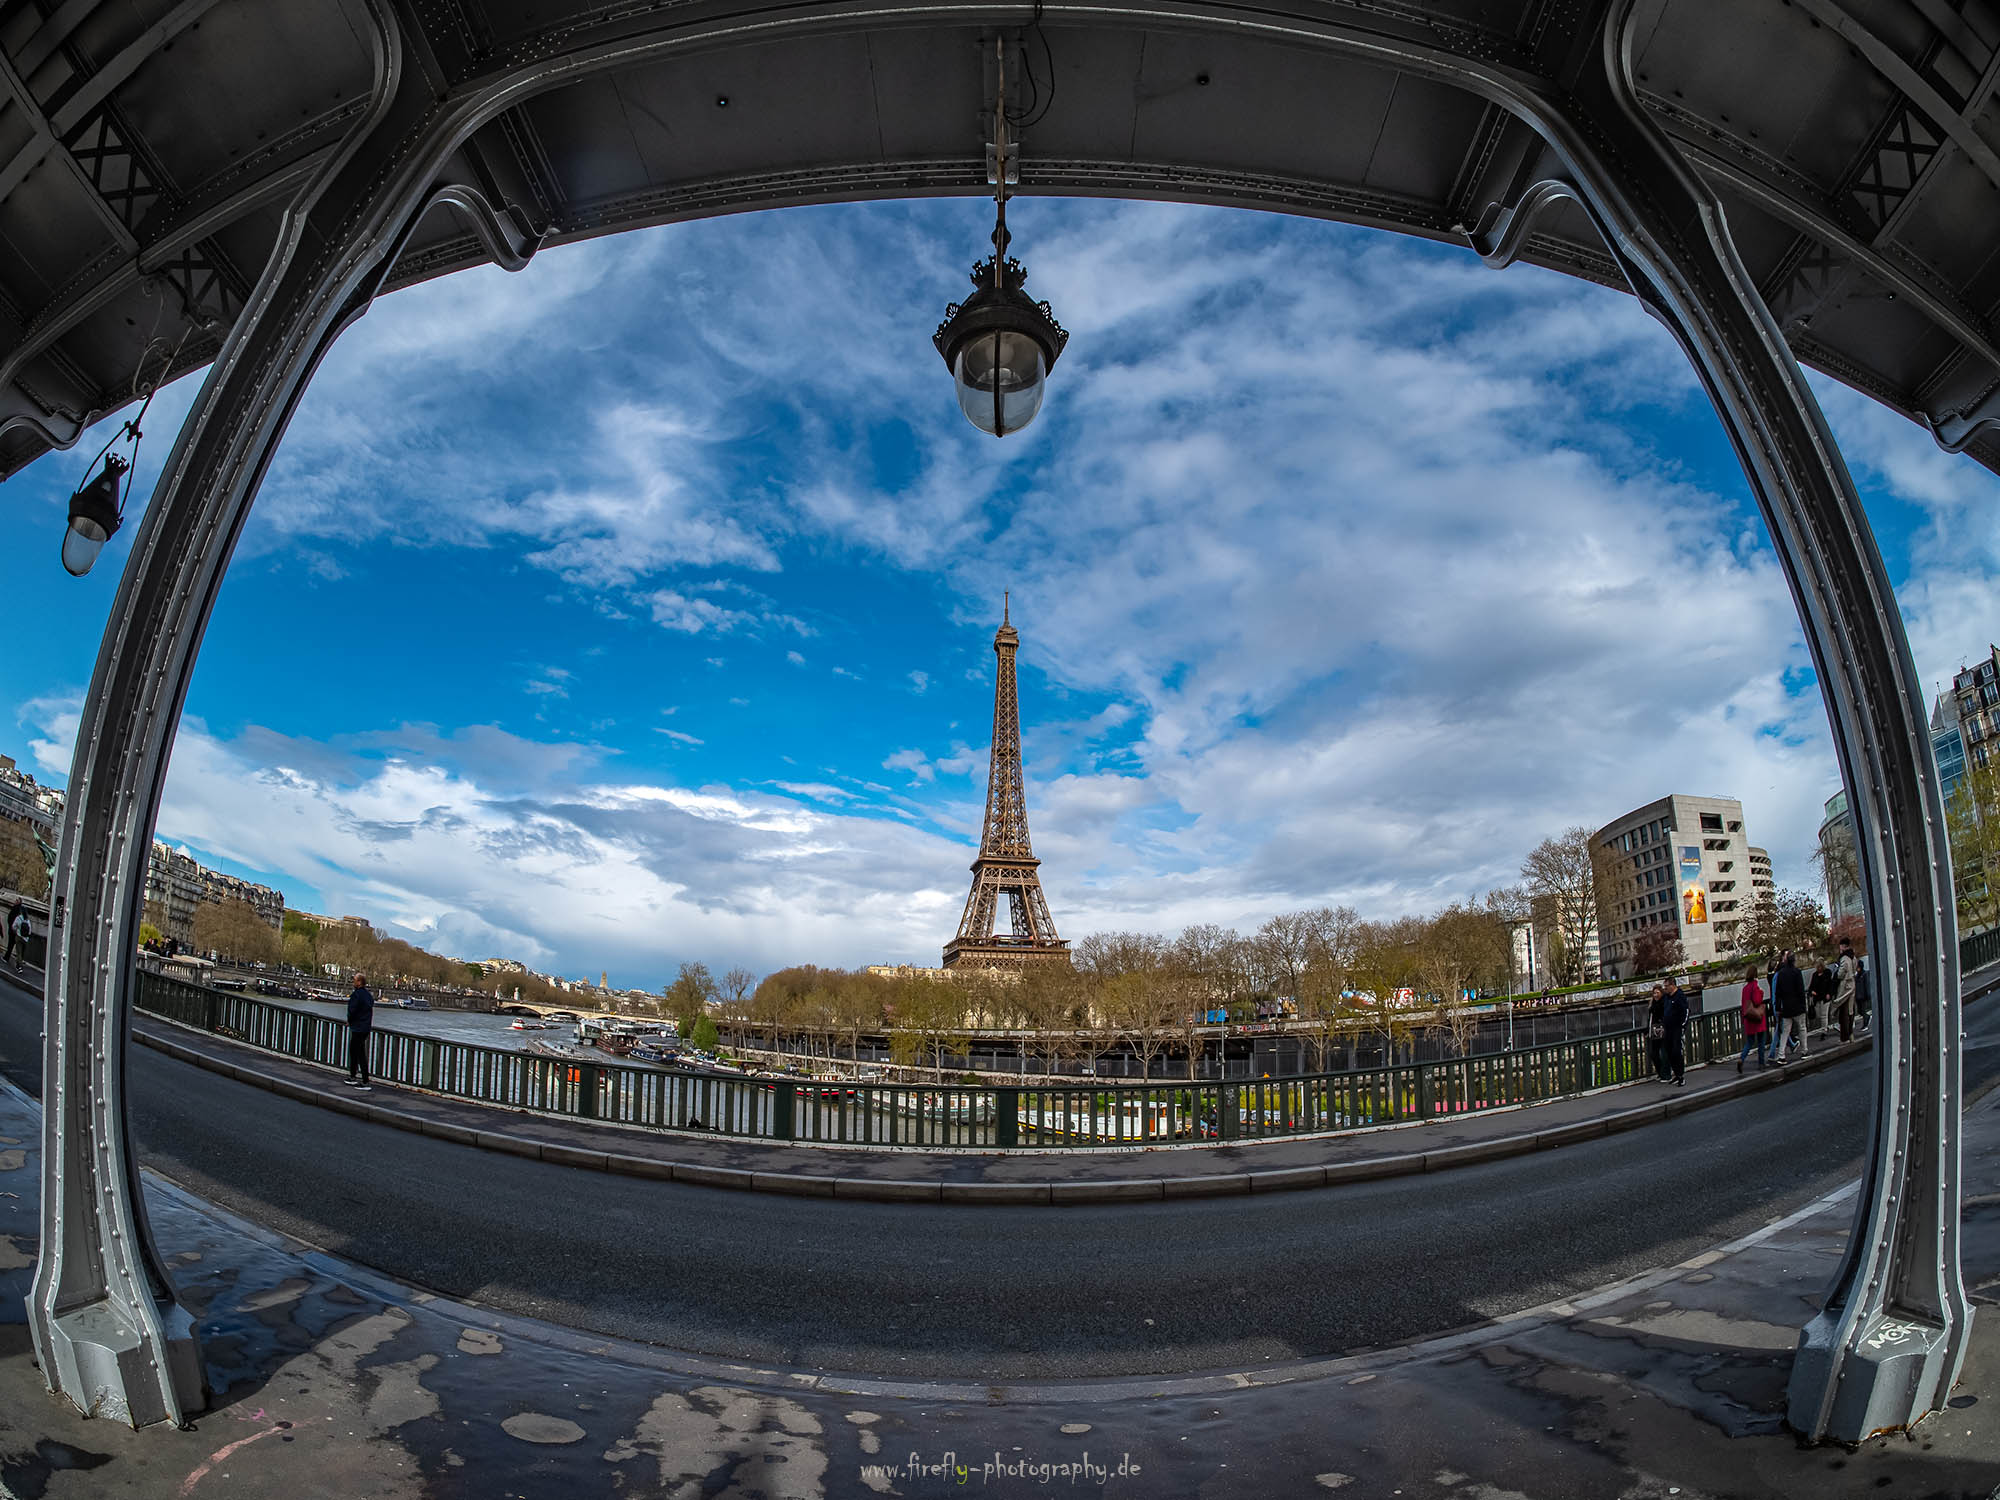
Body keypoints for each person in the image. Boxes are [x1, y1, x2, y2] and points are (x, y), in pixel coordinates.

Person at [1770, 950, 1808, 1061]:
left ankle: (1781, 1055)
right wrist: (1803, 1005)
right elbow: (1801, 990)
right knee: (1802, 1028)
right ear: (1794, 960)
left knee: (1785, 1032)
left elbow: (1778, 993)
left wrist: (1777, 1007)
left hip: (1786, 1007)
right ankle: (1804, 1051)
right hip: (1797, 1006)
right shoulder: (1797, 972)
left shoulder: (1781, 974)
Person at [344, 972, 375, 1090]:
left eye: (354, 980)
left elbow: (353, 1010)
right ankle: (357, 1077)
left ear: (359, 982)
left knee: (356, 1053)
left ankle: (361, 1080)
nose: (353, 982)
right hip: (365, 1027)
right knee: (359, 1052)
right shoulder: (368, 996)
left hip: (357, 1027)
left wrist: (350, 1021)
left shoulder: (356, 995)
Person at [1737, 964, 1771, 1072]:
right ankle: (1761, 1063)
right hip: (1757, 1017)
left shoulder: (1745, 988)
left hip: (1748, 1018)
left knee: (1749, 1042)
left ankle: (1742, 1058)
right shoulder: (1755, 986)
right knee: (1761, 1041)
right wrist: (1761, 992)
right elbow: (1757, 1001)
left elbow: (1744, 1003)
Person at [1660, 975, 1690, 1087]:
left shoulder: (1680, 996)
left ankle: (1681, 1075)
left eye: (1666, 986)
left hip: (1677, 1028)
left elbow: (1686, 1011)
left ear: (1673, 985)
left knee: (1676, 1051)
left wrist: (1683, 1026)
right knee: (1669, 1051)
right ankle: (1677, 1074)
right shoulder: (1667, 997)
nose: (1665, 988)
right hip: (1668, 1028)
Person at [1834, 939, 1859, 1043]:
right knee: (1850, 1011)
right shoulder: (1853, 957)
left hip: (1845, 987)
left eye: (1840, 946)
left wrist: (1836, 972)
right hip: (1852, 986)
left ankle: (1845, 1036)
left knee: (1843, 1013)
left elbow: (1841, 973)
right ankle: (1851, 1034)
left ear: (1843, 946)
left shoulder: (1844, 958)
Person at [1646, 982, 1669, 1081]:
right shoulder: (1652, 1003)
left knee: (1664, 1053)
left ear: (1661, 993)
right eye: (1654, 993)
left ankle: (1666, 1074)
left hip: (1662, 1028)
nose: (1655, 995)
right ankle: (1660, 1072)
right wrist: (1648, 1030)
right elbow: (1650, 1018)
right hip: (1654, 1029)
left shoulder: (1664, 1002)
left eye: (1657, 993)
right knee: (1653, 1053)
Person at [1807, 957, 1835, 1038]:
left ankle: (1824, 1031)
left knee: (1824, 1015)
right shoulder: (1815, 975)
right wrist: (1811, 991)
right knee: (1819, 1015)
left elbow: (1830, 984)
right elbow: (1811, 986)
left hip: (1825, 997)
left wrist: (1829, 993)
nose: (1818, 968)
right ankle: (1824, 1027)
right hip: (1817, 997)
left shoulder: (1827, 973)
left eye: (1819, 967)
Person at [4, 901, 29, 968]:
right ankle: (19, 964)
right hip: (24, 937)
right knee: (20, 951)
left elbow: (13, 925)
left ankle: (9, 959)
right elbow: (29, 929)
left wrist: (14, 931)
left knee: (11, 946)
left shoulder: (18, 917)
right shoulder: (27, 919)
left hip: (17, 935)